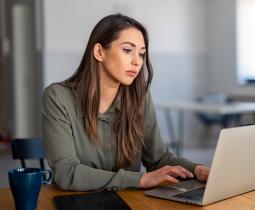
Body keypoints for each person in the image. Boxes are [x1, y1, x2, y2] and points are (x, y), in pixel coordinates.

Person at [42, 14, 209, 191]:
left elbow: (158, 159)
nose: (137, 62)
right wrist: (140, 180)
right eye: (128, 50)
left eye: (142, 54)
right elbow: (66, 172)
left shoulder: (141, 97)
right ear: (99, 52)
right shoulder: (58, 97)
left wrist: (197, 169)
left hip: (130, 202)